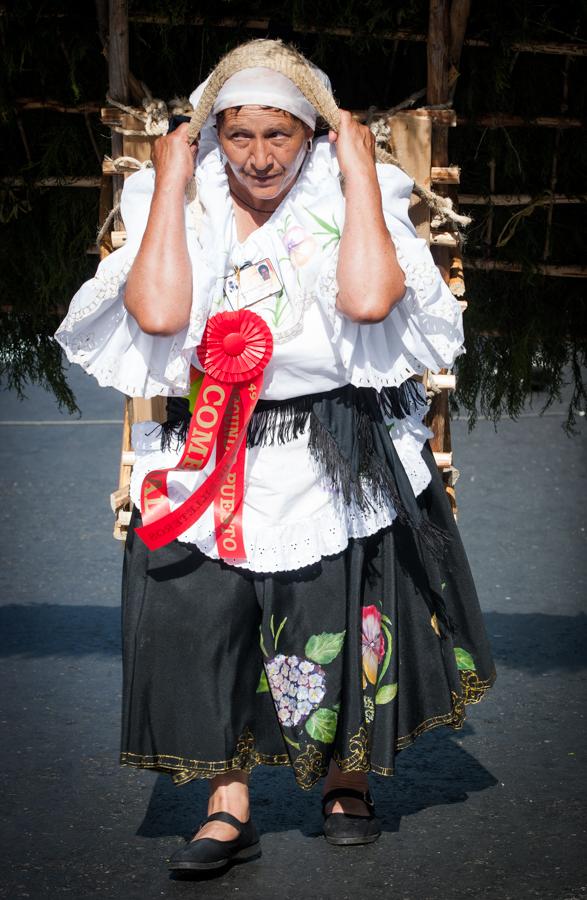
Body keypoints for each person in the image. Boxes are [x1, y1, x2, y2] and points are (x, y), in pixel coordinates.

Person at [55, 39, 496, 873]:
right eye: (240, 135)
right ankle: (227, 808)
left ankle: (347, 780)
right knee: (205, 614)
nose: (258, 157)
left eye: (279, 136)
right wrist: (175, 180)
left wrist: (359, 167)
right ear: (214, 133)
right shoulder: (179, 196)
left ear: (310, 135)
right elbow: (155, 316)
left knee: (340, 607)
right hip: (213, 434)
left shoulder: (350, 190)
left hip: (334, 435)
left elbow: (368, 298)